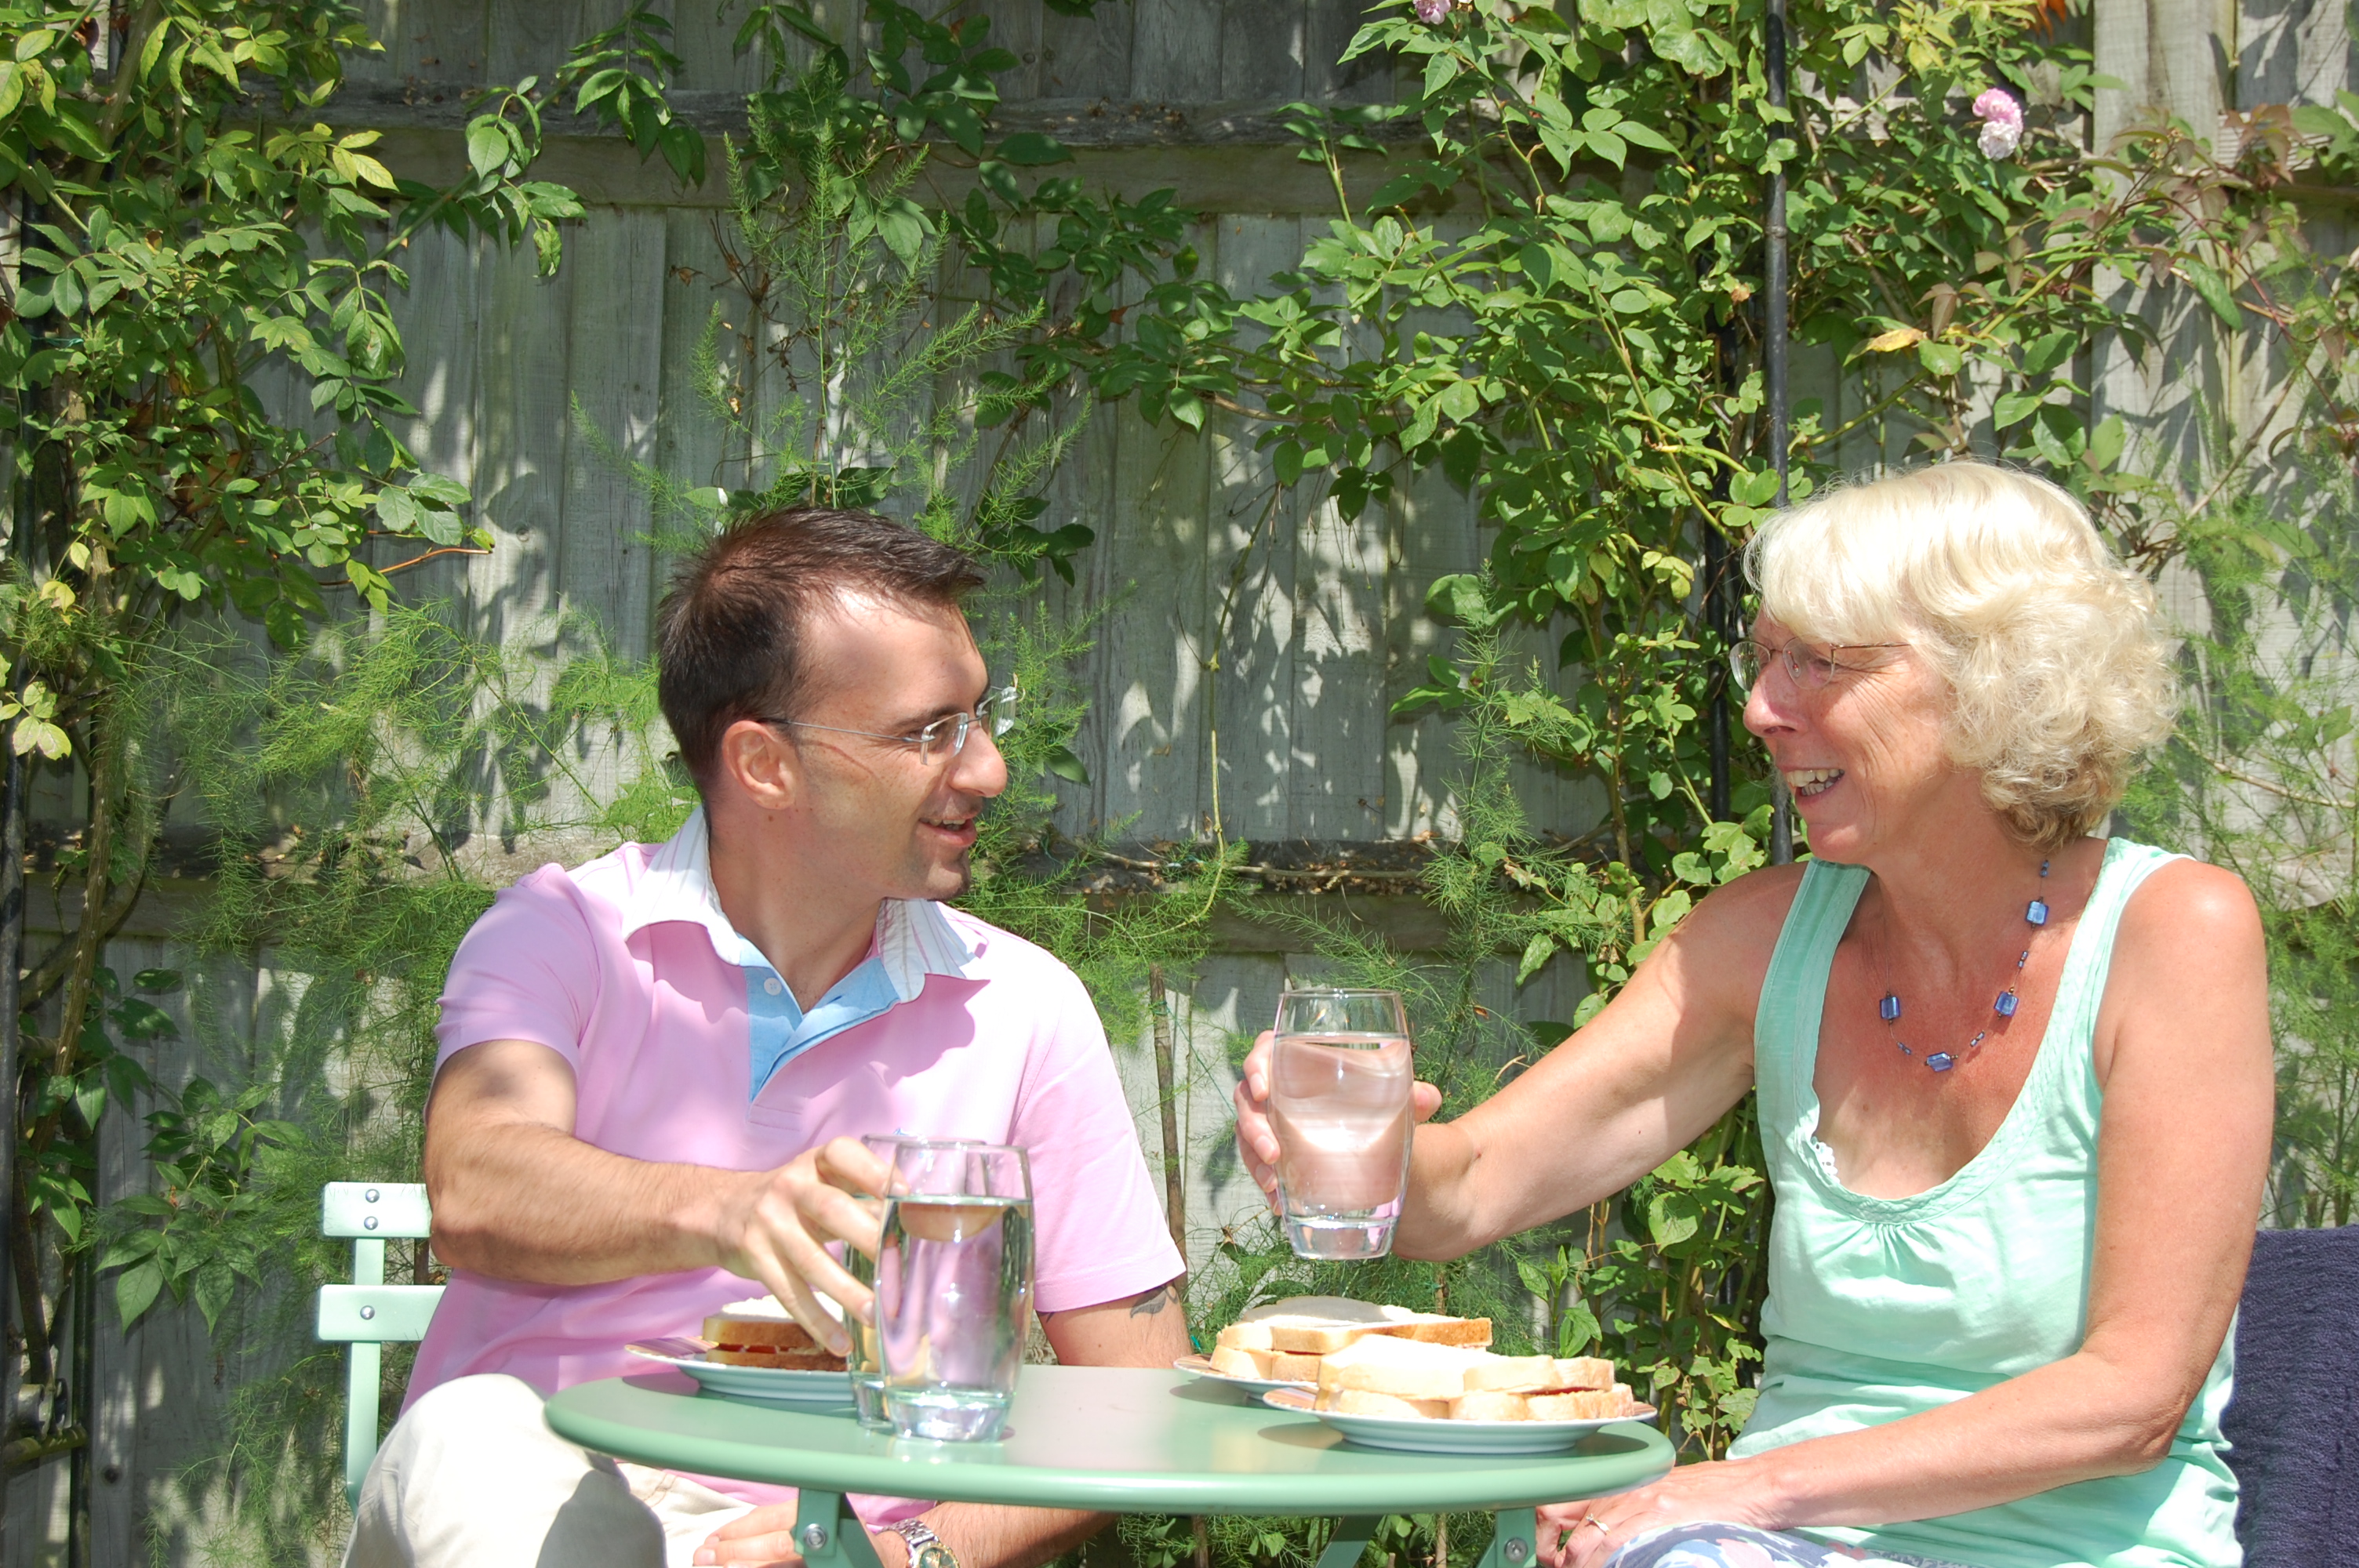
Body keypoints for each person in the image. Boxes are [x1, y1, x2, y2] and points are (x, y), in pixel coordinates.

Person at [1235, 463, 2270, 1568]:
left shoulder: (2172, 933)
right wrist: (1367, 1158)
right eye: (1764, 656)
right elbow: (1480, 1181)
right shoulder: (1764, 938)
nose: (1761, 707)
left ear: (1993, 680)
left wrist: (1739, 1490)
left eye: (1818, 662)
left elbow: (2133, 1400)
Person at [347, 507, 1190, 1568]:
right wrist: (732, 1209)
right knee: (471, 1440)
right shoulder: (567, 933)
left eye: (981, 716)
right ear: (762, 764)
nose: (988, 772)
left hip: (844, 1544)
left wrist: (911, 1554)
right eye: (931, 732)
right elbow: (475, 1184)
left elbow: (1142, 1386)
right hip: (535, 1511)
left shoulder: (1023, 1007)